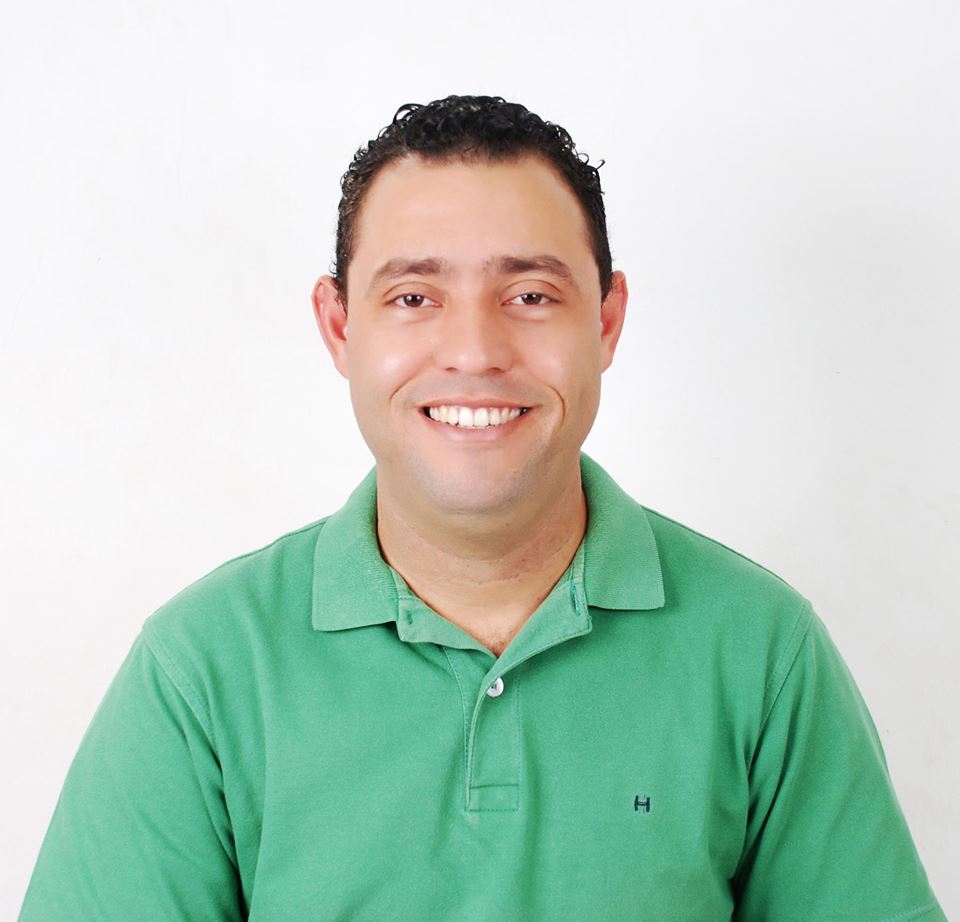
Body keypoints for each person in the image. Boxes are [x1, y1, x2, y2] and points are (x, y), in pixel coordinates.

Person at [20, 95, 943, 921]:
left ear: (606, 321)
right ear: (340, 327)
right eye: (414, 296)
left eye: (530, 295)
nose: (474, 350)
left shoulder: (762, 651)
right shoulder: (203, 670)